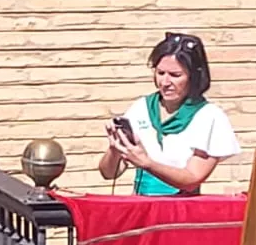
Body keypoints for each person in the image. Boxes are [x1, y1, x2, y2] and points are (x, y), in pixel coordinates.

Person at [99, 32, 241, 195]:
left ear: (194, 76)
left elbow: (192, 178)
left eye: (175, 75)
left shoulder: (210, 117)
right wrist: (114, 150)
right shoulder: (141, 108)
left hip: (180, 211)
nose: (165, 83)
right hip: (141, 207)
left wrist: (147, 163)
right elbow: (108, 173)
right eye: (160, 73)